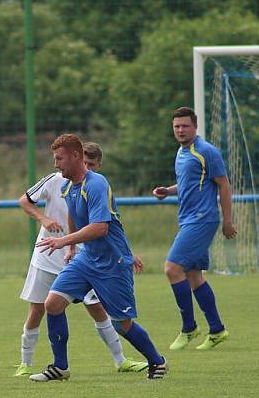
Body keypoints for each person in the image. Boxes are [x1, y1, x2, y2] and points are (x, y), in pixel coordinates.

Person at [30, 134, 167, 381]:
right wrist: (72, 248)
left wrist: (63, 241)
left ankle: (157, 361)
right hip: (87, 259)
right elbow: (73, 215)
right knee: (52, 304)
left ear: (75, 156)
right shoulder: (68, 186)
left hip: (112, 262)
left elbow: (100, 228)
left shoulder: (96, 183)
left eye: (59, 158)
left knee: (121, 323)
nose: (55, 164)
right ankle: (60, 367)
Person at [152, 106, 236, 351]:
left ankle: (189, 328)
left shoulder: (207, 151)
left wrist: (228, 221)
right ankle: (217, 330)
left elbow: (224, 186)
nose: (180, 130)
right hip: (188, 218)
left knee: (171, 268)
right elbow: (188, 183)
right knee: (193, 275)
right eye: (176, 126)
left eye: (185, 126)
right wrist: (168, 191)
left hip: (202, 219)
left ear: (195, 126)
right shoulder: (181, 152)